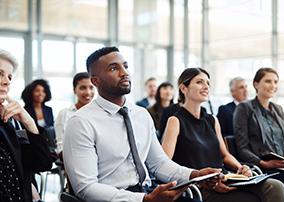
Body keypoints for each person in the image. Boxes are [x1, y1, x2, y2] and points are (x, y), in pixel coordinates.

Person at [63, 47, 222, 202]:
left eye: (125, 66)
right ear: (95, 81)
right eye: (113, 69)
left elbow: (159, 164)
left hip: (147, 191)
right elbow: (86, 187)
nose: (124, 73)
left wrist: (195, 175)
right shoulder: (81, 122)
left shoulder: (141, 114)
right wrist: (143, 200)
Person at [161, 67, 284, 202]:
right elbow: (165, 164)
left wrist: (241, 167)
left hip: (224, 178)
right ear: (183, 88)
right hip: (200, 187)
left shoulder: (212, 120)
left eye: (208, 83)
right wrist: (198, 179)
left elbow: (225, 155)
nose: (206, 87)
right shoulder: (175, 121)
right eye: (199, 82)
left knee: (276, 186)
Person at [233, 67, 284, 202]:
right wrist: (264, 163)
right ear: (256, 84)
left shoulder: (278, 109)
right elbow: (242, 148)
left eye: (276, 82)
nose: (273, 86)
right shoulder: (244, 108)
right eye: (268, 81)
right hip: (264, 169)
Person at [0, 49, 52, 202]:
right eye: (0, 74)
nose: (7, 81)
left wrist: (29, 122)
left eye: (9, 76)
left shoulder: (11, 120)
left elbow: (42, 163)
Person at [55, 72, 94, 154]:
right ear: (74, 90)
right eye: (82, 88)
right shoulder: (64, 114)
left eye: (91, 87)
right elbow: (61, 146)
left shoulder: (99, 114)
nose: (88, 92)